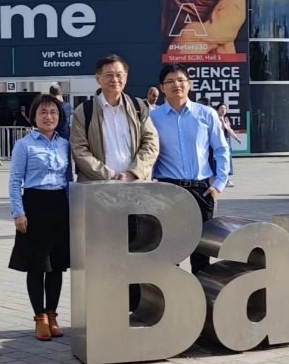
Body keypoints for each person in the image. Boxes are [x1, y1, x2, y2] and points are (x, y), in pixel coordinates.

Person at [149, 64, 231, 274]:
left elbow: (221, 149)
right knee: (169, 250)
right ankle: (171, 292)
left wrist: (218, 185)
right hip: (168, 190)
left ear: (190, 84)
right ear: (162, 87)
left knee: (202, 252)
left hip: (201, 190)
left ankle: (202, 292)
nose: (176, 85)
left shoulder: (206, 114)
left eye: (181, 80)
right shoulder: (153, 118)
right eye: (170, 81)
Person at [8, 94, 72, 341]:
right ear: (33, 117)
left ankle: (53, 314)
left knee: (56, 266)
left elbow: (70, 178)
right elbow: (15, 181)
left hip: (60, 206)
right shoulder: (24, 145)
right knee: (37, 265)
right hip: (34, 205)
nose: (49, 117)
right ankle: (39, 317)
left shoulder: (65, 144)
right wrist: (18, 212)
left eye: (53, 112)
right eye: (43, 112)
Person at [71, 54, 160, 182]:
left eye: (119, 75)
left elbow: (151, 143)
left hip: (135, 184)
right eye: (109, 75)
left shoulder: (139, 107)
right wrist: (109, 176)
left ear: (126, 77)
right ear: (98, 78)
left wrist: (133, 172)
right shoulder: (84, 111)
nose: (114, 79)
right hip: (98, 186)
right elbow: (79, 150)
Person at [216, 103, 239, 187]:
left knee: (227, 160)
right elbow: (221, 130)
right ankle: (221, 180)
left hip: (227, 141)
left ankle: (226, 179)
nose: (223, 110)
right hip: (219, 143)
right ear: (217, 110)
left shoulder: (226, 119)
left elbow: (229, 129)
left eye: (225, 108)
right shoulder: (215, 119)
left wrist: (236, 138)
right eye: (221, 108)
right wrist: (222, 122)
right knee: (220, 161)